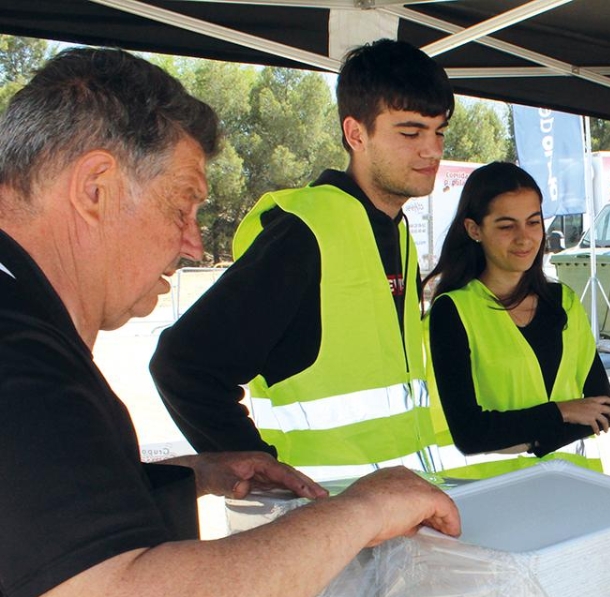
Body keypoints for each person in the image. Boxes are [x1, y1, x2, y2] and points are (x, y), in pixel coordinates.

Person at [0, 47, 459, 597]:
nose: (195, 246)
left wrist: (188, 474)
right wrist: (362, 510)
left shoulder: (27, 334)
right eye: (182, 206)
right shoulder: (22, 362)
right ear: (94, 187)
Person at [150, 39, 453, 480]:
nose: (432, 150)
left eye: (439, 132)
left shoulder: (395, 231)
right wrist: (266, 478)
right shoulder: (305, 232)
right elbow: (183, 367)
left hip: (390, 518)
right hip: (317, 526)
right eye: (410, 133)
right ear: (355, 134)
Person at [424, 162, 610, 479]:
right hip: (490, 498)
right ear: (474, 230)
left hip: (572, 490)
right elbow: (471, 434)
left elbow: (605, 410)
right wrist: (563, 412)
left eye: (533, 222)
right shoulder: (452, 310)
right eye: (506, 226)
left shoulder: (564, 302)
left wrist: (527, 437)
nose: (524, 238)